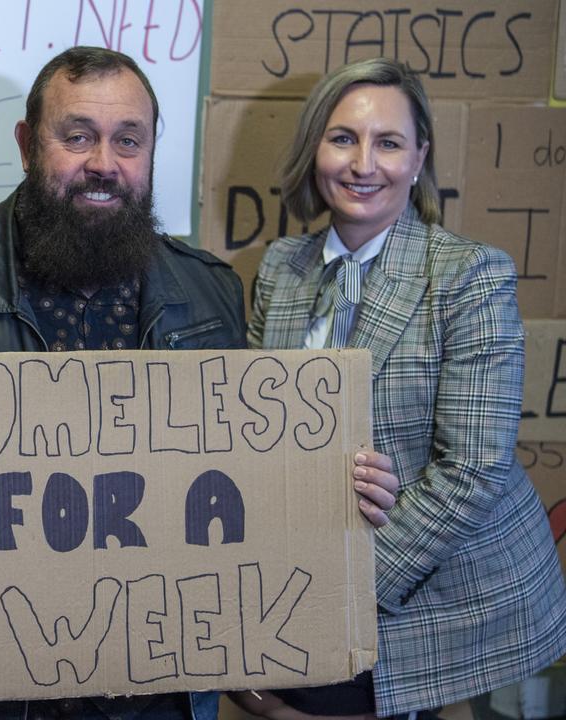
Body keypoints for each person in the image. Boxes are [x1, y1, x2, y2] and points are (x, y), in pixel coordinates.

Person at [0, 46, 399, 720]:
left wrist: (335, 483)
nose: (103, 165)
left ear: (150, 149)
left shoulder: (211, 294)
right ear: (28, 144)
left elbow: (250, 479)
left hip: (157, 693)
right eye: (76, 136)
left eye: (127, 140)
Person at [233, 57, 566, 719]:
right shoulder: (281, 268)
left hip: (438, 587)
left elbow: (475, 469)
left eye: (388, 143)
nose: (363, 163)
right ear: (314, 149)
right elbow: (254, 426)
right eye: (343, 138)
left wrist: (341, 589)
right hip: (308, 561)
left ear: (419, 160)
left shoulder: (470, 275)